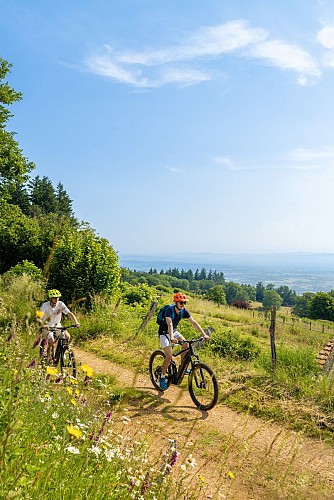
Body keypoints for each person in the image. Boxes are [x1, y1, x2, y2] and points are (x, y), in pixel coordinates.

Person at [158, 292, 209, 390]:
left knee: (185, 344)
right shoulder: (169, 311)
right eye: (181, 303)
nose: (183, 305)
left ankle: (183, 367)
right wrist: (172, 337)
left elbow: (193, 322)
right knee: (169, 356)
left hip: (174, 332)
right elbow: (170, 325)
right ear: (176, 302)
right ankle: (163, 376)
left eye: (184, 303)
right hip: (164, 333)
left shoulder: (184, 311)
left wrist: (204, 334)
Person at [39, 289, 80, 362]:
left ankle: (62, 352)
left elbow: (69, 313)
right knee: (51, 342)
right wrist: (43, 324)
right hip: (47, 326)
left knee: (67, 336)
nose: (56, 299)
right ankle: (48, 358)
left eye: (58, 297)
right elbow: (40, 317)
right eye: (54, 298)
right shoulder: (45, 305)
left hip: (57, 325)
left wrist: (76, 322)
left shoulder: (60, 304)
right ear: (50, 299)